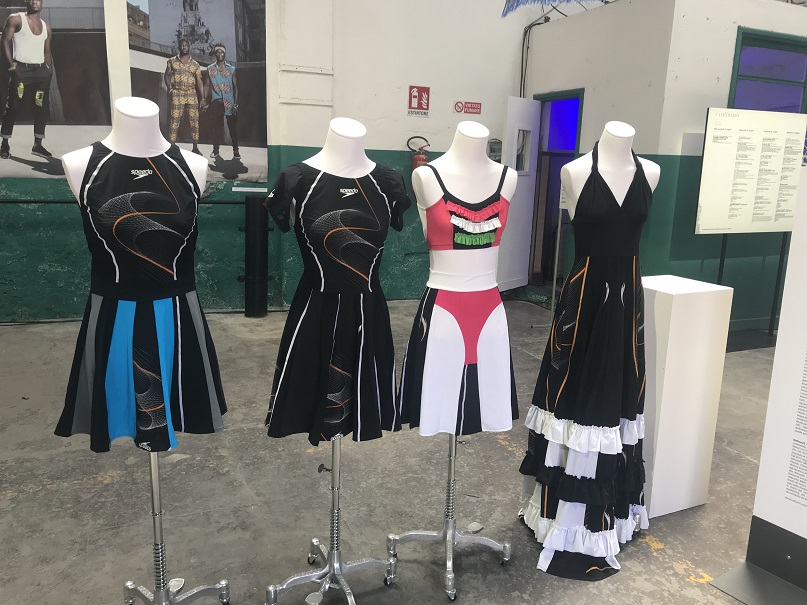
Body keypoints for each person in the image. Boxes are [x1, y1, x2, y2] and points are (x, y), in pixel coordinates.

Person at [0, 0, 54, 160]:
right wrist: (12, 67)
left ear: (42, 3)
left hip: (41, 73)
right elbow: (5, 41)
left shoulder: (46, 27)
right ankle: (4, 144)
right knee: (13, 106)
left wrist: (49, 71)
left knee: (41, 106)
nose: (34, 1)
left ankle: (38, 145)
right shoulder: (16, 19)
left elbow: (47, 51)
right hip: (21, 71)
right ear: (26, 1)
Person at [164, 38, 205, 155]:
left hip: (191, 93)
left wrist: (202, 98)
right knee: (175, 120)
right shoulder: (172, 61)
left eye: (186, 45)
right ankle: (171, 147)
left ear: (189, 47)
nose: (184, 47)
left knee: (194, 121)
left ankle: (195, 148)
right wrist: (170, 89)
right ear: (179, 47)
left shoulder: (195, 64)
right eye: (182, 45)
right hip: (177, 93)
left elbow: (199, 82)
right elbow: (166, 76)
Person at [206, 43, 239, 159]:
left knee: (232, 127)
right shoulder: (210, 69)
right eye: (218, 52)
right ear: (215, 54)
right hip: (217, 101)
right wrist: (204, 100)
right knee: (217, 127)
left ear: (225, 54)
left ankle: (236, 151)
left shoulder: (231, 69)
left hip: (229, 102)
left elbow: (235, 88)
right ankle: (215, 150)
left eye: (222, 52)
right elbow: (207, 86)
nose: (220, 54)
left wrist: (236, 104)